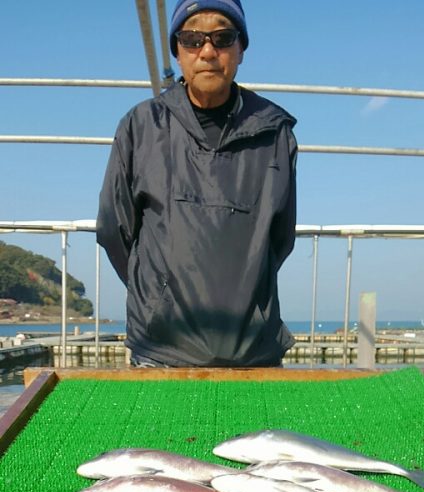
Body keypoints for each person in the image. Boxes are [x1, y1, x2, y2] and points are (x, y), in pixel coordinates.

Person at [96, 0, 298, 367]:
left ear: (240, 50)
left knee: (259, 429)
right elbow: (113, 230)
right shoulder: (140, 126)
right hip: (162, 350)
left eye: (223, 37)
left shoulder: (276, 133)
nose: (207, 51)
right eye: (192, 38)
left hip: (255, 352)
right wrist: (158, 297)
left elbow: (281, 236)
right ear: (177, 51)